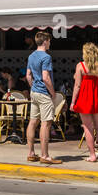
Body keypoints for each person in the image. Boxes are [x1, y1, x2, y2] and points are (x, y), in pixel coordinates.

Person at [72, 42, 98, 163]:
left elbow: (77, 86)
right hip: (97, 98)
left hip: (84, 99)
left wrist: (73, 101)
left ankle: (92, 155)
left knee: (88, 128)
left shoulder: (80, 66)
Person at [25, 31, 59, 165]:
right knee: (46, 123)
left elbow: (28, 75)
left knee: (33, 122)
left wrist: (33, 87)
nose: (50, 43)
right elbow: (46, 77)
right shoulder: (46, 57)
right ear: (45, 41)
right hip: (44, 93)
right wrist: (53, 93)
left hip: (34, 92)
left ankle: (31, 153)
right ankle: (45, 155)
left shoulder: (31, 56)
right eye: (49, 41)